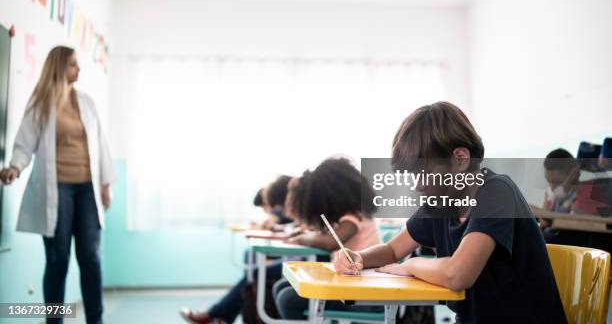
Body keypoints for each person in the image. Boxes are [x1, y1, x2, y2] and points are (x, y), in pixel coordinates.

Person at [333, 101, 567, 324]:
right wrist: (359, 257)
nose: (417, 185)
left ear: (461, 159)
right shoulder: (441, 204)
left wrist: (410, 266)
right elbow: (393, 249)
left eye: (423, 173)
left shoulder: (497, 192)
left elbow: (458, 275)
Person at [0, 46, 116, 324]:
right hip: (56, 190)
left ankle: (95, 320)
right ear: (59, 67)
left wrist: (105, 184)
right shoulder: (41, 103)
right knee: (58, 259)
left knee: (91, 258)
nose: (78, 69)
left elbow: (99, 144)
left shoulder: (86, 102)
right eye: (73, 64)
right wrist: (15, 167)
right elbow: (24, 141)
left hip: (87, 190)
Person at [273, 158, 382, 320]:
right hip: (353, 286)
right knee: (282, 287)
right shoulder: (349, 215)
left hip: (366, 296)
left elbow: (330, 242)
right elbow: (324, 236)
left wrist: (304, 238)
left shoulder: (354, 216)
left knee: (287, 299)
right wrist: (306, 236)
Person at [180, 175, 293, 324]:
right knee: (251, 259)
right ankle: (223, 315)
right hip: (295, 254)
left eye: (271, 206)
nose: (270, 210)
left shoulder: (302, 210)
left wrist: (279, 227)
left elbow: (299, 232)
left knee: (255, 271)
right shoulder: (292, 211)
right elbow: (292, 229)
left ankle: (217, 315)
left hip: (302, 259)